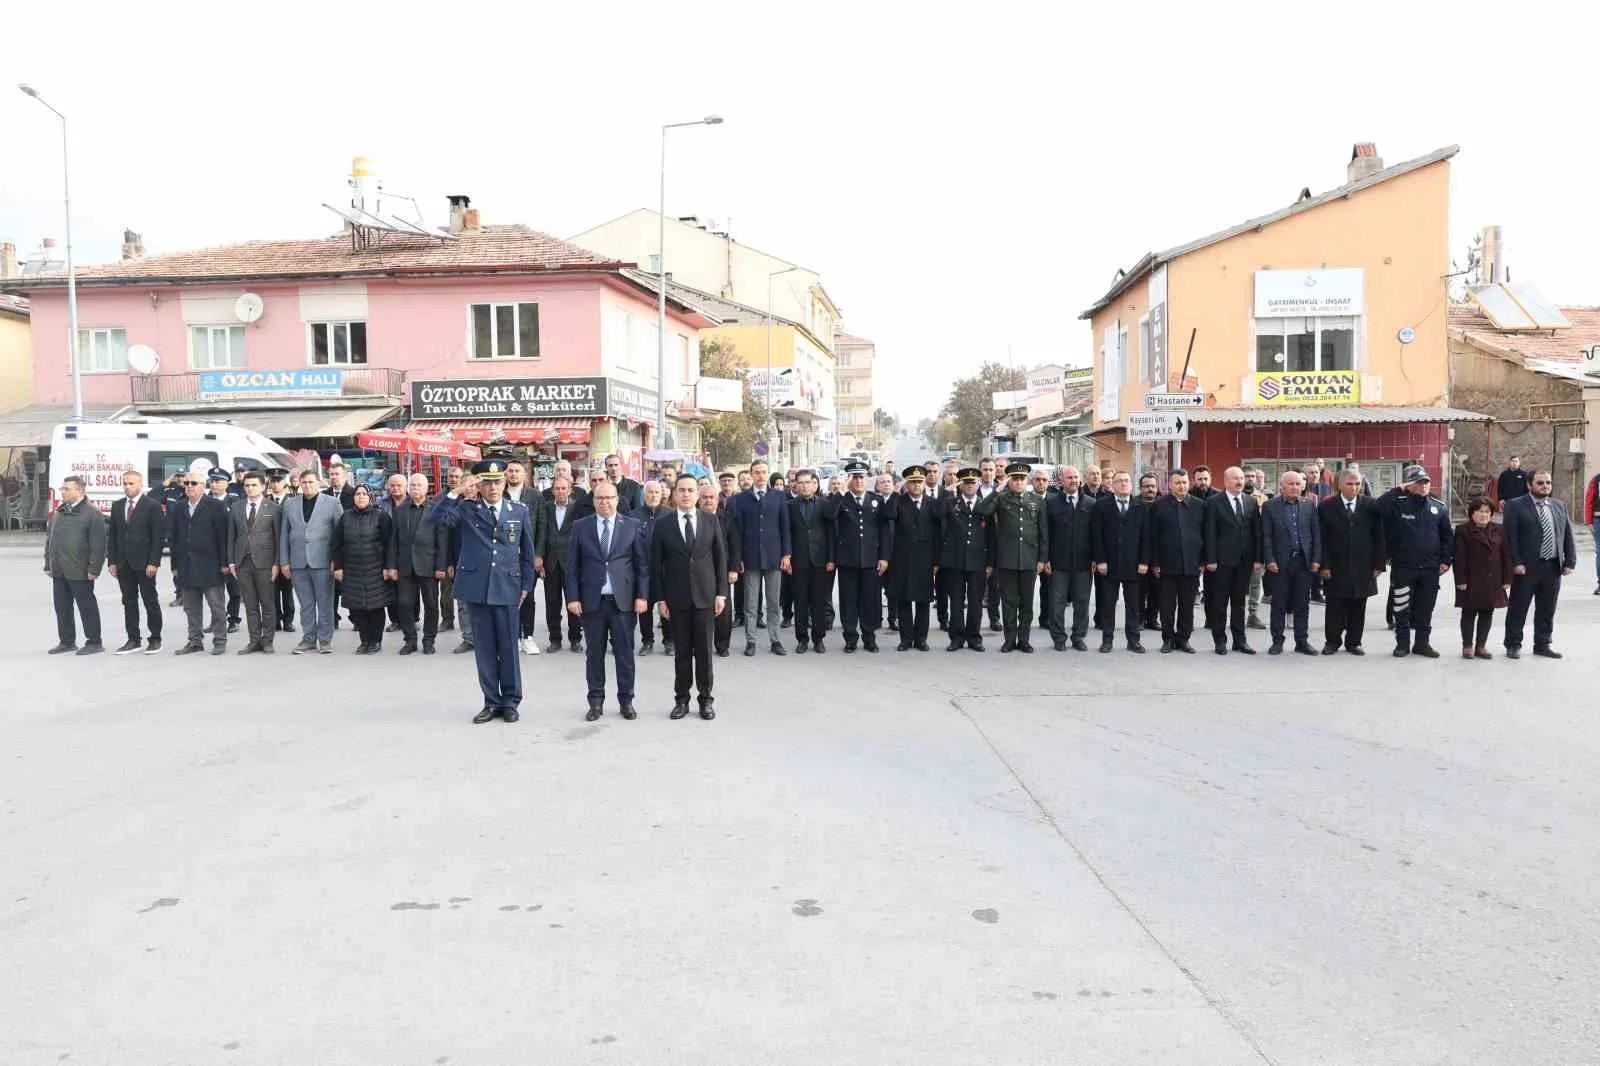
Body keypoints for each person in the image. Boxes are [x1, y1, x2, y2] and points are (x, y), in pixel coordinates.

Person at [433, 460, 536, 723]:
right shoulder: (467, 509)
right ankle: (491, 701)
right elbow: (436, 519)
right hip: (477, 588)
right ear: (479, 484)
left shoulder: (519, 511)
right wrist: (456, 491)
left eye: (498, 481)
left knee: (509, 649)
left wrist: (526, 586)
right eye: (487, 482)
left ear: (505, 483)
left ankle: (511, 701)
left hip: (507, 587)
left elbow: (527, 554)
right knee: (486, 650)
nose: (493, 487)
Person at [566, 482, 649, 720]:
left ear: (617, 499)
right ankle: (595, 702)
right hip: (592, 602)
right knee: (594, 654)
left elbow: (642, 566)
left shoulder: (631, 526)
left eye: (609, 498)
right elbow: (572, 567)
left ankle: (626, 700)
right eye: (600, 498)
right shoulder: (581, 527)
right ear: (593, 501)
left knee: (625, 654)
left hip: (623, 602)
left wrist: (642, 596)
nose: (605, 502)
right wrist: (573, 597)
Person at [652, 474, 728, 721]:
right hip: (677, 598)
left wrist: (721, 594)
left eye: (690, 490)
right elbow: (657, 564)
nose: (686, 494)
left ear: (698, 494)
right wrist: (661, 599)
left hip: (706, 597)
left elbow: (720, 559)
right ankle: (681, 700)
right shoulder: (663, 524)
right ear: (674, 494)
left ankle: (706, 700)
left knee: (705, 652)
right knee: (682, 652)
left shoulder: (710, 520)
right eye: (681, 490)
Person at [1377, 466, 1452, 659]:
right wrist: (1398, 489)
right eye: (1418, 482)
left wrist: (1446, 560)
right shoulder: (1397, 503)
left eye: (1425, 482)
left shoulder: (1439, 507)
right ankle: (1402, 644)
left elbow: (1447, 538)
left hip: (1430, 568)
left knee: (1425, 608)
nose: (1423, 486)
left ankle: (1422, 644)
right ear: (1409, 484)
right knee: (1402, 607)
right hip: (1403, 567)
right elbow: (1377, 507)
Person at [1501, 469, 1576, 659]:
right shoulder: (1515, 506)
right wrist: (1516, 562)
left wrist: (1570, 561)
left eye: (1548, 483)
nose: (1545, 486)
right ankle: (1513, 644)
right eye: (1540, 483)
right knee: (1518, 608)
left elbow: (1567, 534)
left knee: (1547, 608)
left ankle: (1542, 644)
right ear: (1529, 485)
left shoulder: (1559, 506)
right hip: (1526, 567)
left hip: (1552, 567)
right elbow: (1510, 537)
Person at [975, 460, 1047, 653]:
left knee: (1026, 603)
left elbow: (1043, 533)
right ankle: (1009, 640)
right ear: (1009, 481)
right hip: (1006, 559)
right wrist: (997, 491)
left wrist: (1042, 559)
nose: (1018, 482)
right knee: (1009, 603)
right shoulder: (1002, 499)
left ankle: (1024, 640)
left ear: (1027, 481)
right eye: (1014, 479)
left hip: (1029, 560)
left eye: (1021, 479)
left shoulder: (1037, 501)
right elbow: (981, 511)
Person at [824, 460, 894, 653]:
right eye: (854, 477)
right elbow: (829, 515)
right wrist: (841, 492)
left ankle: (869, 637)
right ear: (849, 480)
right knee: (848, 601)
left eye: (861, 477)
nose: (858, 481)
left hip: (871, 560)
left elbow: (884, 532)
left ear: (867, 478)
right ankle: (850, 638)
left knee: (870, 601)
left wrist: (884, 557)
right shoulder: (841, 500)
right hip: (847, 560)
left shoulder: (876, 500)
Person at [1317, 470, 1385, 655]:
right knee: (1335, 605)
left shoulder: (1370, 505)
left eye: (1357, 484)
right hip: (1336, 564)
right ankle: (1332, 641)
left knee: (1358, 605)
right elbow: (1322, 539)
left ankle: (1354, 642)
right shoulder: (1326, 507)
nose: (1354, 488)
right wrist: (1324, 565)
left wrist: (1379, 564)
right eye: (1350, 484)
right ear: (1339, 484)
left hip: (1363, 564)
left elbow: (1379, 535)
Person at [732, 459, 791, 656]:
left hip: (774, 557)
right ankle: (751, 641)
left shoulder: (779, 496)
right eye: (756, 472)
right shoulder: (741, 499)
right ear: (751, 475)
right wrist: (738, 557)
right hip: (750, 557)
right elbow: (737, 531)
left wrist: (787, 554)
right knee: (750, 603)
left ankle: (775, 640)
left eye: (763, 472)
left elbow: (785, 527)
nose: (760, 476)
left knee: (773, 602)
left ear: (768, 473)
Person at [280, 470, 343, 655]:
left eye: (310, 482)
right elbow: (284, 533)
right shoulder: (290, 504)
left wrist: (337, 561)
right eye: (304, 482)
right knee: (306, 604)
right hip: (298, 562)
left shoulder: (332, 503)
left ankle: (324, 639)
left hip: (322, 561)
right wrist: (284, 561)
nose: (307, 485)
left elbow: (339, 535)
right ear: (299, 483)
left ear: (318, 483)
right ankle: (308, 639)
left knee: (324, 603)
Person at [171, 470, 233, 656]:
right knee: (191, 608)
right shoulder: (179, 507)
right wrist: (174, 565)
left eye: (193, 483)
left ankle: (220, 640)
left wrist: (225, 562)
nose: (189, 486)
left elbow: (223, 536)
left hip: (211, 565)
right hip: (187, 566)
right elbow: (174, 539)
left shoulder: (215, 506)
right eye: (186, 483)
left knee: (216, 606)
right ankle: (195, 641)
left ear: (203, 486)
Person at [1201, 466, 1262, 655]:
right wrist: (1210, 559)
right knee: (1220, 602)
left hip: (1244, 562)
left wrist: (1258, 558)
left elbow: (1256, 533)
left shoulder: (1251, 502)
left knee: (1239, 603)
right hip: (1221, 561)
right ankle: (1220, 641)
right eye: (1235, 478)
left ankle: (1240, 640)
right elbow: (1209, 532)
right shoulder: (1213, 502)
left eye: (1242, 478)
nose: (1240, 481)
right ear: (1226, 481)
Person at [44, 475, 107, 656]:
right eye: (62, 488)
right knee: (62, 607)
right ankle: (67, 641)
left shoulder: (91, 513)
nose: (62, 492)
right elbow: (50, 539)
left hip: (80, 570)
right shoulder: (60, 512)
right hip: (59, 569)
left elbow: (98, 545)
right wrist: (48, 563)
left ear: (79, 490)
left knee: (86, 606)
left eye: (67, 489)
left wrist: (94, 569)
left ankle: (94, 641)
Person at [1261, 471, 1321, 656]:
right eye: (1291, 484)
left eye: (1298, 483)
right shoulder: (1270, 506)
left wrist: (1316, 559)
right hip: (1279, 563)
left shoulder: (1309, 506)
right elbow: (1266, 536)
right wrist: (1269, 559)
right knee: (1278, 603)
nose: (1295, 487)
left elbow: (1316, 535)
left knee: (1302, 604)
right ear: (1282, 486)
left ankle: (1301, 641)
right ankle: (1277, 641)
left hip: (1303, 562)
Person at [1089, 471, 1148, 653]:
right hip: (1109, 564)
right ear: (1112, 485)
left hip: (1133, 564)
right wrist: (1100, 560)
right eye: (1119, 481)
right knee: (1108, 604)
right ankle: (1107, 640)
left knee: (1133, 605)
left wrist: (1144, 561)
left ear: (1131, 485)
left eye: (1126, 481)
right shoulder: (1101, 505)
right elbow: (1096, 535)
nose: (1123, 484)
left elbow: (1147, 537)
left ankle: (1134, 640)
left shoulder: (1140, 506)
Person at [332, 484, 395, 654]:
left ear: (370, 497)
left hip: (375, 569)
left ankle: (375, 641)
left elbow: (390, 544)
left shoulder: (380, 516)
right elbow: (336, 544)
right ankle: (364, 640)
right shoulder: (345, 517)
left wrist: (388, 567)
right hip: (352, 569)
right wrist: (337, 566)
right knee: (357, 607)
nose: (361, 497)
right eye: (358, 494)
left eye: (364, 494)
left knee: (375, 607)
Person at [108, 469, 165, 654]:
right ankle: (133, 639)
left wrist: (154, 562)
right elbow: (113, 536)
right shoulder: (117, 506)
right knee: (128, 601)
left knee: (150, 600)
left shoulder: (152, 505)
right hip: (124, 564)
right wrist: (112, 561)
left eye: (131, 483)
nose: (127, 486)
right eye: (124, 483)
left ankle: (155, 638)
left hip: (145, 563)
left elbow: (158, 537)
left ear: (140, 484)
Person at [1149, 468, 1204, 654]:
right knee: (1167, 605)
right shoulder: (1159, 505)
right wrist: (1155, 562)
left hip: (1191, 564)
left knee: (1187, 605)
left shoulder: (1198, 505)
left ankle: (1184, 639)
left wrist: (1203, 560)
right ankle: (1168, 639)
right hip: (1167, 564)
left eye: (1185, 482)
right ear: (1170, 485)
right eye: (1178, 483)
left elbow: (1204, 536)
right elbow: (1153, 536)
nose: (1182, 486)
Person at [391, 473, 448, 655]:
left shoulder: (436, 509)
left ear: (426, 489)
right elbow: (393, 540)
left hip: (429, 566)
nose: (415, 488)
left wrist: (441, 567)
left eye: (419, 485)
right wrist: (391, 565)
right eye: (413, 485)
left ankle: (429, 640)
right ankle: (410, 640)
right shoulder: (400, 510)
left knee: (431, 605)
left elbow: (442, 541)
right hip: (406, 566)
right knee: (405, 604)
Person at [937, 466, 993, 652]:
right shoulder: (951, 503)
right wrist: (947, 492)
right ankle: (956, 637)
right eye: (966, 482)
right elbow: (937, 513)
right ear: (960, 485)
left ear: (979, 484)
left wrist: (990, 562)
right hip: (954, 560)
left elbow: (992, 536)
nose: (970, 486)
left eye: (973, 482)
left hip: (978, 561)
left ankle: (974, 637)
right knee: (956, 601)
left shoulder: (985, 505)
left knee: (976, 602)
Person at [1454, 497, 1512, 660]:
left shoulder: (1499, 530)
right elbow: (1459, 558)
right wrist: (1460, 580)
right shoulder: (1462, 530)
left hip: (1493, 580)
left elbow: (1506, 555)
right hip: (1471, 580)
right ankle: (1467, 646)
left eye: (1487, 511)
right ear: (1472, 513)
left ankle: (1481, 646)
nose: (1483, 515)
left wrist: (1508, 579)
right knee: (1469, 612)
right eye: (1479, 511)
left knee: (1487, 612)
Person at [889, 465, 939, 652]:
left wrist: (936, 561)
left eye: (919, 482)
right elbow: (888, 514)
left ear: (924, 482)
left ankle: (921, 639)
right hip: (902, 559)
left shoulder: (932, 503)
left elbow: (939, 534)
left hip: (925, 560)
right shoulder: (899, 502)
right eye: (912, 482)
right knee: (904, 601)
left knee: (923, 602)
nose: (917, 486)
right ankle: (906, 639)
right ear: (907, 485)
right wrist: (895, 492)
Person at [1044, 465, 1094, 652]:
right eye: (1069, 478)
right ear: (1061, 481)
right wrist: (1046, 558)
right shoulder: (1051, 503)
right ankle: (1058, 638)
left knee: (1082, 603)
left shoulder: (1090, 503)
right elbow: (1046, 533)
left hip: (1083, 563)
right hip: (1058, 563)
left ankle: (1078, 637)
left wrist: (1096, 558)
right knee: (1057, 603)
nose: (1073, 480)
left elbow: (1095, 534)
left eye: (1076, 477)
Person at [231, 471, 281, 655]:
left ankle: (267, 641)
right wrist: (231, 561)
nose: (250, 488)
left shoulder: (273, 508)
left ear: (263, 486)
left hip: (265, 563)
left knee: (267, 604)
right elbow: (232, 535)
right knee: (250, 605)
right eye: (247, 485)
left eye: (254, 485)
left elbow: (278, 538)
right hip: (243, 562)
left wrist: (277, 563)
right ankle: (254, 641)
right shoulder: (236, 507)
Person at [534, 476, 585, 654]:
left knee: (574, 602)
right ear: (553, 490)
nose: (561, 491)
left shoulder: (577, 508)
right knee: (552, 603)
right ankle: (555, 639)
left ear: (570, 490)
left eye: (564, 488)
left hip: (571, 564)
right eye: (557, 488)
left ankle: (575, 639)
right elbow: (541, 533)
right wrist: (539, 556)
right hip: (551, 563)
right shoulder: (546, 508)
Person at [786, 469, 835, 654]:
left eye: (808, 482)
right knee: (800, 601)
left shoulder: (824, 504)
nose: (805, 486)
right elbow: (787, 534)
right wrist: (787, 557)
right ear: (796, 485)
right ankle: (802, 639)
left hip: (820, 560)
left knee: (819, 601)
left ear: (815, 484)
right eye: (801, 483)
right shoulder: (790, 506)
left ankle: (818, 638)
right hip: (798, 561)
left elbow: (831, 533)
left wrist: (831, 558)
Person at [701, 482, 742, 656]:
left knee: (723, 610)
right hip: (700, 571)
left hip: (723, 570)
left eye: (711, 497)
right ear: (698, 499)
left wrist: (733, 568)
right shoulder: (694, 519)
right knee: (701, 610)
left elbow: (735, 545)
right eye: (704, 497)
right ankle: (702, 645)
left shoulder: (727, 518)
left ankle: (722, 645)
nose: (708, 500)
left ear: (718, 499)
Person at [633, 481, 669, 654]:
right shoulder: (633, 516)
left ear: (662, 494)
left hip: (665, 570)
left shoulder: (670, 514)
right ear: (644, 494)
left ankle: (669, 640)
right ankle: (647, 641)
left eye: (657, 492)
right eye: (650, 492)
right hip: (643, 571)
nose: (653, 495)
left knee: (667, 606)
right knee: (644, 608)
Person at [207, 468, 243, 634]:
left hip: (231, 552)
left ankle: (233, 620)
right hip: (211, 554)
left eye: (217, 481)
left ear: (226, 484)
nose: (213, 484)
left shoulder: (235, 502)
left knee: (234, 590)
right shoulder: (204, 501)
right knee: (213, 591)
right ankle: (216, 620)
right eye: (212, 481)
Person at [266, 468, 297, 634]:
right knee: (272, 589)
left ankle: (288, 620)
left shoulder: (293, 501)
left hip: (287, 552)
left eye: (279, 480)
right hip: (269, 553)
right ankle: (276, 620)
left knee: (287, 589)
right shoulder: (265, 501)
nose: (276, 484)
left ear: (284, 482)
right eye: (273, 480)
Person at [1136, 473, 1162, 631]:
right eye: (1146, 486)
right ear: (1141, 488)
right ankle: (1139, 619)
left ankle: (1152, 619)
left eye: (1152, 486)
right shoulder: (1134, 504)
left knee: (1157, 590)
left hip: (1159, 555)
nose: (1150, 489)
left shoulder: (1163, 504)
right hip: (1138, 555)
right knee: (1139, 590)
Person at [1584, 468, 1600, 595]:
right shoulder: (1595, 480)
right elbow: (1589, 501)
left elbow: (1589, 501)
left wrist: (1589, 521)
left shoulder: (1596, 479)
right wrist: (1589, 521)